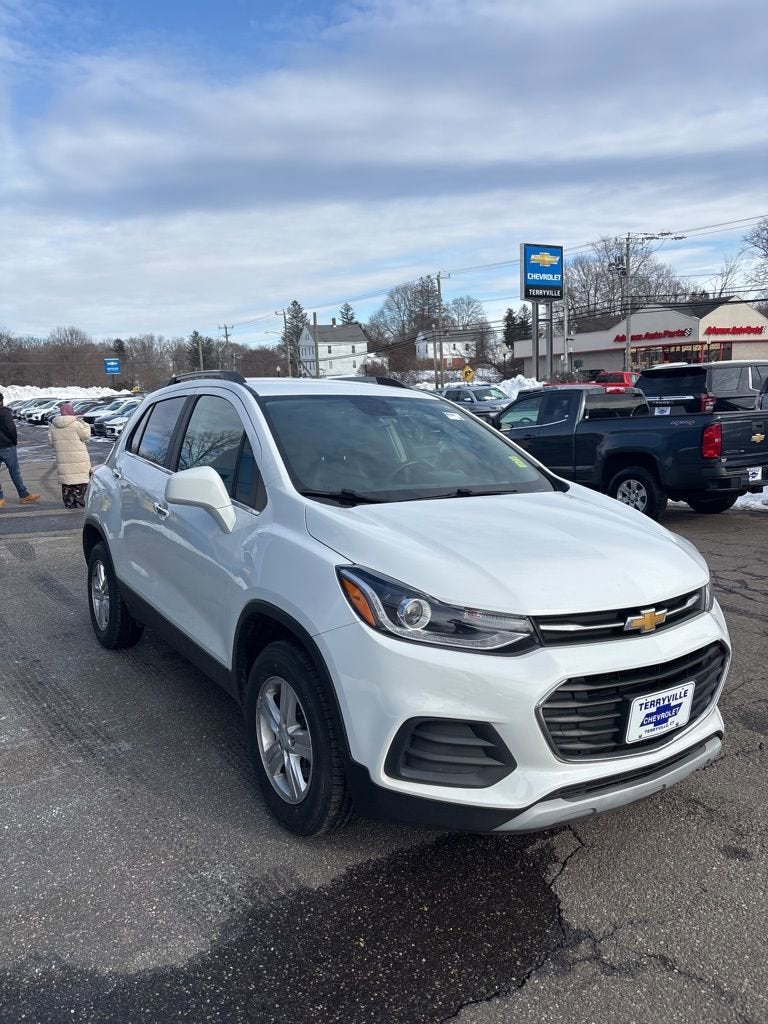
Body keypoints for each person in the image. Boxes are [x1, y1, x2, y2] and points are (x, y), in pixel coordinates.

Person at [48, 402, 92, 508]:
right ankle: (79, 496)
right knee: (82, 479)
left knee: (67, 481)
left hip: (63, 459)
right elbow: (85, 436)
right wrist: (84, 423)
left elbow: (51, 442)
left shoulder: (53, 426)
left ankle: (69, 502)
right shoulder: (76, 424)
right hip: (79, 457)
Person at [0, 394, 41, 508]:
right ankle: (23, 495)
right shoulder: (5, 412)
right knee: (15, 472)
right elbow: (11, 428)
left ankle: (0, 499)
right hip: (7, 446)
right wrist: (14, 441)